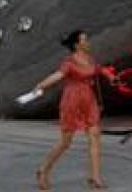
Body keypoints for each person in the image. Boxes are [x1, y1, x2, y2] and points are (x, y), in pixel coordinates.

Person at [33, 31, 119, 190]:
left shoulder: (90, 60)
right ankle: (43, 170)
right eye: (85, 40)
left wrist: (111, 77)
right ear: (77, 45)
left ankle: (95, 177)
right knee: (65, 142)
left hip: (89, 101)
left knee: (94, 136)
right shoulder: (69, 62)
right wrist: (41, 85)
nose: (88, 42)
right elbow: (58, 75)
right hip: (72, 101)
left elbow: (100, 70)